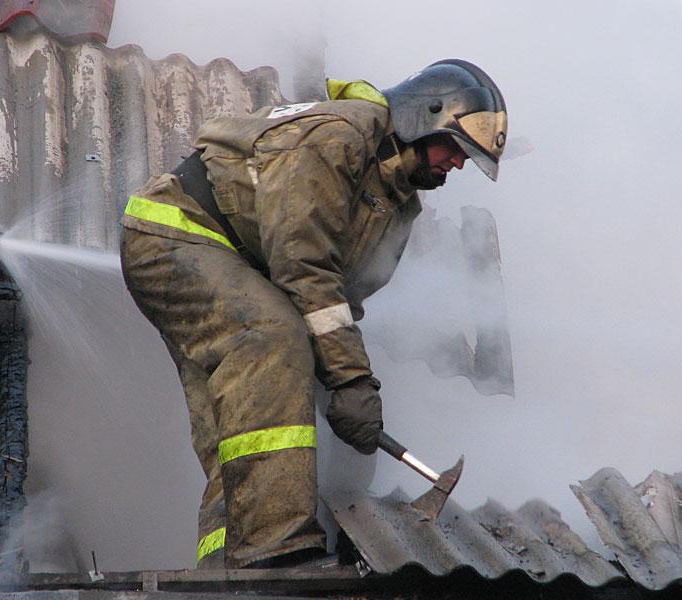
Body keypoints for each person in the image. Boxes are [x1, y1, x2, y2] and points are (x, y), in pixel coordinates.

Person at [119, 59, 507, 569]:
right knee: (272, 338)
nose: (456, 166)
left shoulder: (398, 203)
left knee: (243, 427)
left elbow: (341, 301)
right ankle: (272, 550)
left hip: (242, 264)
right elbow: (302, 265)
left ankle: (224, 568)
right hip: (176, 233)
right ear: (423, 116)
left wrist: (346, 387)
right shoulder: (342, 137)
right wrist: (349, 379)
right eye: (455, 148)